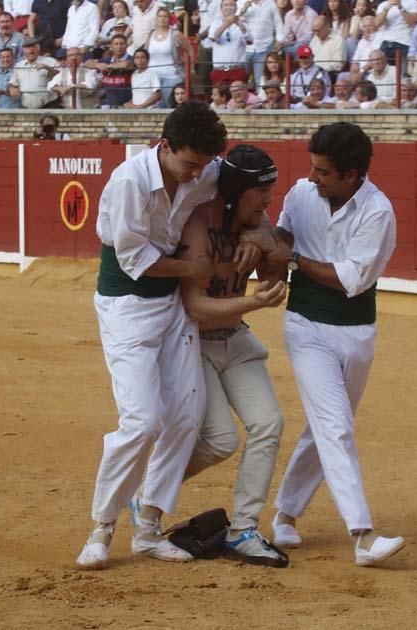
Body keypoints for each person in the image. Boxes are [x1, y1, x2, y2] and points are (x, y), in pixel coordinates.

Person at [75, 101, 229, 570]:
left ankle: (147, 528)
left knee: (185, 415)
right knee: (142, 421)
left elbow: (243, 184)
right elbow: (134, 260)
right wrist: (192, 268)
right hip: (128, 308)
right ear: (163, 147)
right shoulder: (128, 182)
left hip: (173, 308)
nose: (195, 175)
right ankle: (101, 526)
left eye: (202, 166)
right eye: (188, 164)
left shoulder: (204, 169)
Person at [270, 122, 403, 568]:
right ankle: (363, 535)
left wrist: (288, 258)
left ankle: (286, 512)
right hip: (304, 323)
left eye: (323, 172)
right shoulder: (301, 194)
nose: (313, 178)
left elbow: (350, 280)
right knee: (336, 426)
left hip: (356, 331)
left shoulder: (377, 212)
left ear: (352, 175)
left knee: (327, 426)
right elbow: (283, 233)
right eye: (313, 169)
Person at [173, 144, 291, 568]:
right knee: (221, 440)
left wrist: (268, 244)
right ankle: (148, 488)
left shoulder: (259, 223)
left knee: (268, 423)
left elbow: (275, 276)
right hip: (196, 344)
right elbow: (197, 308)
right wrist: (255, 304)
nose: (268, 200)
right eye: (261, 193)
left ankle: (243, 530)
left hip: (236, 340)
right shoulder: (199, 223)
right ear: (236, 192)